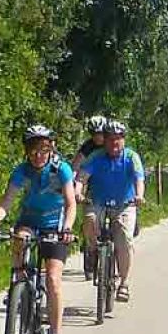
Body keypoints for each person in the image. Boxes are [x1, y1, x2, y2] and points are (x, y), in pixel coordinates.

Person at [0, 125, 76, 334]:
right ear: (26, 151)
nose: (38, 155)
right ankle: (19, 285)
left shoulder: (61, 169)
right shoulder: (21, 171)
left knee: (53, 279)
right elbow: (6, 202)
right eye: (33, 150)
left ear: (50, 149)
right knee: (19, 237)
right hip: (29, 220)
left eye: (43, 149)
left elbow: (70, 203)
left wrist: (66, 228)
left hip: (54, 225)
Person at [76, 121, 144, 303]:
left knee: (124, 239)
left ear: (124, 140)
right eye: (110, 139)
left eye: (118, 139)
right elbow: (82, 177)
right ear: (104, 141)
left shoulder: (131, 157)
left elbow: (139, 179)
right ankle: (91, 249)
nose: (114, 143)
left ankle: (124, 283)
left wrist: (139, 196)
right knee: (89, 220)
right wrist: (78, 191)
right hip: (97, 201)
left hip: (125, 203)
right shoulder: (96, 157)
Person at [73, 115, 110, 279]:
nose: (97, 137)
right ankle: (90, 250)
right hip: (90, 181)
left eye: (100, 133)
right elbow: (76, 165)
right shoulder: (88, 146)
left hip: (110, 181)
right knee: (90, 219)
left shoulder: (112, 142)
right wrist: (73, 186)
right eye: (94, 134)